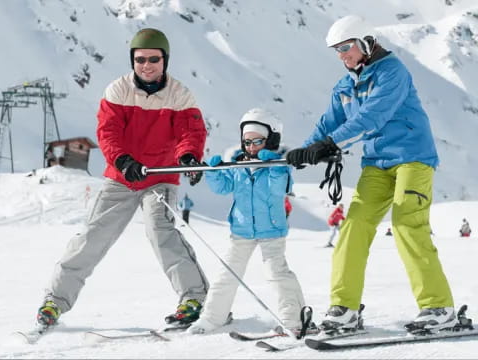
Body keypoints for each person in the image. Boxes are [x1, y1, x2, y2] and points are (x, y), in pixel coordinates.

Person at [286, 15, 457, 332]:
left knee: (407, 224)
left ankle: (438, 308)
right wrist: (307, 149)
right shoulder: (346, 84)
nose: (342, 56)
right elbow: (330, 122)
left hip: (412, 158)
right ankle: (344, 308)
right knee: (354, 228)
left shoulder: (392, 73)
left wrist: (329, 144)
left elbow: (372, 117)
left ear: (366, 42)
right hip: (377, 164)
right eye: (337, 50)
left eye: (346, 47)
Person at [36, 28, 210, 329]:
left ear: (165, 60)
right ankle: (55, 301)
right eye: (140, 59)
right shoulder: (118, 90)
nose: (147, 65)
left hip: (160, 176)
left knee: (161, 233)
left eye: (154, 59)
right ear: (133, 60)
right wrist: (123, 160)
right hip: (123, 176)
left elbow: (190, 133)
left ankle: (194, 298)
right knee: (93, 235)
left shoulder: (180, 95)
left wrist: (188, 158)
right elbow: (108, 133)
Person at [188, 108, 306, 335]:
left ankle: (292, 319)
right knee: (227, 274)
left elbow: (278, 190)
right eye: (247, 142)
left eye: (258, 141)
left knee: (277, 274)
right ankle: (213, 318)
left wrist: (274, 167)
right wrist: (214, 173)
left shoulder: (279, 166)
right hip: (241, 230)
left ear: (270, 140)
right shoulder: (237, 165)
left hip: (271, 229)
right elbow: (222, 188)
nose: (251, 147)